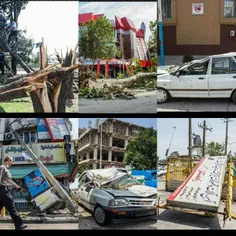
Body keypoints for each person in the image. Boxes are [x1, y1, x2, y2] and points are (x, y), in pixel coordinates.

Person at [0, 156, 28, 230]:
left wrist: (17, 186)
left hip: (3, 192)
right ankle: (19, 225)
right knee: (11, 207)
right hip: (4, 191)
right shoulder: (3, 167)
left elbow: (10, 181)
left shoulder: (7, 170)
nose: (12, 163)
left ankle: (19, 225)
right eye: (12, 161)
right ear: (9, 160)